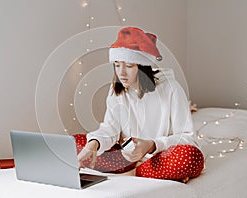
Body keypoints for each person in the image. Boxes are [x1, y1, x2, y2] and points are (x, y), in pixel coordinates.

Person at [75, 27, 204, 183]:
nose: (121, 73)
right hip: (125, 157)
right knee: (76, 143)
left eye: (129, 66)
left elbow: (188, 138)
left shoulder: (171, 89)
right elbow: (110, 128)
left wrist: (151, 145)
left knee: (190, 157)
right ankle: (146, 172)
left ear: (143, 67)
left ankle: (134, 173)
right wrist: (93, 145)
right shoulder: (117, 89)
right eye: (117, 65)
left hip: (158, 158)